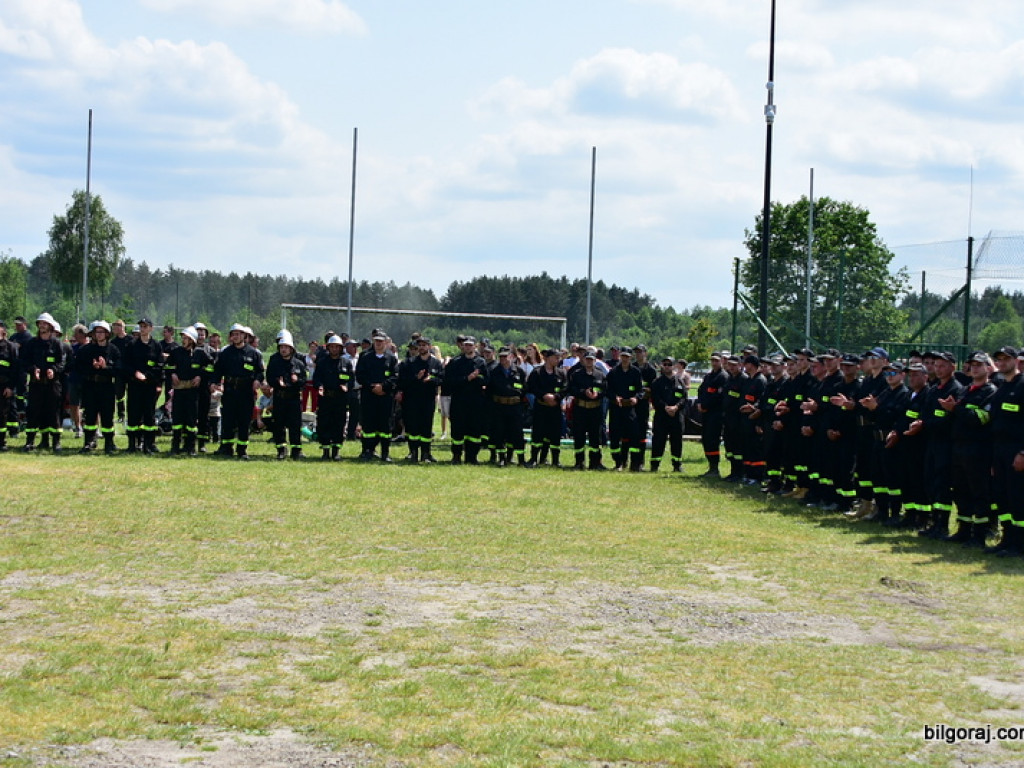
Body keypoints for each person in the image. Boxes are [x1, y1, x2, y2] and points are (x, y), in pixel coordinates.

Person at [946, 352, 997, 545]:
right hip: (959, 447)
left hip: (978, 450)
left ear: (988, 368)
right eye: (972, 365)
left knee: (979, 492)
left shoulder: (990, 391)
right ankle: (964, 529)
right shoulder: (966, 390)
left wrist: (956, 409)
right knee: (961, 490)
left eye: (979, 365)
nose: (974, 368)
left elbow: (981, 418)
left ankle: (980, 534)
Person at [985, 346, 1024, 555]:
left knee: (1018, 496)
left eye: (1006, 359)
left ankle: (1020, 543)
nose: (1001, 362)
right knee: (1003, 495)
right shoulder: (1000, 387)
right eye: (998, 359)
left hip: (1016, 450)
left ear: (1015, 361)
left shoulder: (1022, 386)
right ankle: (1007, 539)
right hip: (999, 450)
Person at [211, 322, 265, 460]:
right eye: (233, 334)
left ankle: (242, 450)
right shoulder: (226, 353)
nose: (235, 337)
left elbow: (260, 371)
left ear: (244, 336)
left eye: (238, 334)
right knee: (228, 421)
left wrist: (258, 380)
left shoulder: (253, 353)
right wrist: (214, 383)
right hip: (230, 391)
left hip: (246, 392)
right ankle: (226, 448)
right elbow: (218, 370)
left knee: (244, 421)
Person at [20, 313, 65, 453]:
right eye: (40, 323)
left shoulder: (57, 343)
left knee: (54, 412)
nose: (42, 325)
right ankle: (30, 441)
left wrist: (54, 370)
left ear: (50, 326)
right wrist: (33, 369)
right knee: (33, 412)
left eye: (45, 323)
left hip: (52, 384)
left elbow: (62, 361)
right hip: (36, 384)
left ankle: (56, 442)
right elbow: (24, 361)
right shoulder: (32, 343)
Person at [75, 321, 122, 454]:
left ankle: (109, 443)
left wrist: (105, 367)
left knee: (107, 415)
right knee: (90, 416)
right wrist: (92, 367)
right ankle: (88, 442)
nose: (99, 334)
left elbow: (118, 370)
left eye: (101, 332)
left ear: (107, 334)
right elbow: (79, 368)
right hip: (90, 386)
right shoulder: (86, 350)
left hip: (106, 386)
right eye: (96, 332)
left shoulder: (113, 350)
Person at [167, 326, 212, 456]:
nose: (184, 340)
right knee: (177, 419)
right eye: (183, 338)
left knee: (191, 420)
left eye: (186, 338)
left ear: (192, 340)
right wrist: (173, 374)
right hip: (179, 390)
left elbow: (211, 366)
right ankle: (175, 446)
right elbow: (168, 366)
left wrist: (200, 376)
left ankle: (190, 447)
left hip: (192, 391)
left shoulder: (200, 353)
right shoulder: (176, 352)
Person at [121, 318, 164, 455]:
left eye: (145, 326)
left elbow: (160, 365)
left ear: (151, 328)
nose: (142, 329)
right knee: (133, 415)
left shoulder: (156, 346)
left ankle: (149, 444)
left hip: (149, 386)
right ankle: (132, 444)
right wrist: (135, 373)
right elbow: (125, 364)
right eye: (141, 326)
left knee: (149, 416)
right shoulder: (132, 345)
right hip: (135, 385)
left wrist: (151, 378)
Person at [398, 336, 444, 463]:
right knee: (413, 428)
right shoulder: (409, 363)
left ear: (430, 346)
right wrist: (416, 378)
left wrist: (432, 380)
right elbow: (402, 382)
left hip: (428, 400)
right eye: (420, 345)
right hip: (412, 400)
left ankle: (426, 453)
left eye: (424, 345)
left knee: (426, 427)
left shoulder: (436, 363)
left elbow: (442, 379)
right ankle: (413, 453)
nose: (422, 347)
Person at [355, 330, 399, 462]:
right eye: (376, 341)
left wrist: (383, 387)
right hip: (369, 396)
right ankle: (368, 451)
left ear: (386, 343)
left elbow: (395, 376)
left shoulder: (391, 358)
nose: (378, 344)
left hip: (385, 396)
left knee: (385, 425)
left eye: (381, 341)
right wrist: (372, 387)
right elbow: (360, 375)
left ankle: (385, 453)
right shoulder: (365, 356)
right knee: (368, 424)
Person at [445, 336, 488, 465]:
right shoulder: (456, 362)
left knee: (474, 430)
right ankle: (457, 455)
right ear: (463, 346)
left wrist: (477, 378)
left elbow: (486, 379)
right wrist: (467, 378)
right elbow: (449, 381)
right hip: (459, 401)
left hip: (475, 402)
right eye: (466, 345)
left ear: (475, 346)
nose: (468, 347)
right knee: (457, 429)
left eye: (470, 345)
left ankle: (472, 456)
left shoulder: (481, 362)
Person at [313, 335, 355, 461]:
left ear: (341, 348)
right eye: (332, 347)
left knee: (339, 424)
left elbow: (350, 379)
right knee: (324, 423)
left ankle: (336, 451)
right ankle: (325, 451)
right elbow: (317, 378)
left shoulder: (346, 363)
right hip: (325, 398)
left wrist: (347, 386)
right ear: (328, 347)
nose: (334, 349)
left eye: (337, 347)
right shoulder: (322, 362)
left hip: (340, 399)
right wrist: (319, 386)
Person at [487, 346, 530, 467]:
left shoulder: (519, 372)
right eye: (501, 357)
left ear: (511, 357)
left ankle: (521, 459)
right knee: (499, 432)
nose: (503, 359)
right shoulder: (494, 372)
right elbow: (489, 390)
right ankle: (502, 458)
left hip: (514, 406)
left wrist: (517, 396)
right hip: (499, 406)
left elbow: (525, 388)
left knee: (517, 433)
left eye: (505, 356)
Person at [526, 348, 568, 467]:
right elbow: (531, 387)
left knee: (555, 435)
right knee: (538, 434)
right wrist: (544, 396)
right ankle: (534, 458)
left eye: (559, 357)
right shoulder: (537, 372)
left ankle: (555, 460)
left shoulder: (561, 373)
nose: (558, 359)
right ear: (548, 358)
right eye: (556, 357)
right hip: (541, 407)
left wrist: (556, 397)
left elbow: (565, 389)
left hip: (555, 408)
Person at [605, 347, 644, 471]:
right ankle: (618, 462)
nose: (625, 359)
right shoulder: (613, 372)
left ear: (630, 357)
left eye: (627, 357)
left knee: (634, 436)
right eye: (623, 356)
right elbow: (607, 389)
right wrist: (614, 397)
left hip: (630, 409)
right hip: (616, 408)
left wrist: (636, 398)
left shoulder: (636, 372)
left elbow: (640, 390)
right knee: (615, 436)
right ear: (620, 357)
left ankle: (634, 463)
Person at [567, 347, 607, 470]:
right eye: (587, 359)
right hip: (581, 408)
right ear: (583, 360)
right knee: (579, 437)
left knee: (596, 437)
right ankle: (579, 462)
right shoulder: (577, 375)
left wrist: (597, 394)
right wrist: (584, 392)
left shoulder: (600, 374)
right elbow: (571, 389)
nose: (589, 362)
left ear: (595, 360)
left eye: (591, 359)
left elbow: (605, 390)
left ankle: (595, 462)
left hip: (595, 409)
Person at [649, 356, 688, 473]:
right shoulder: (657, 382)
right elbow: (655, 398)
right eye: (665, 364)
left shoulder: (680, 381)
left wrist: (676, 407)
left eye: (669, 364)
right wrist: (665, 407)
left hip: (676, 416)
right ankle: (654, 465)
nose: (667, 366)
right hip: (662, 416)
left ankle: (677, 465)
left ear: (674, 366)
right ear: (662, 365)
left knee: (676, 441)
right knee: (658, 441)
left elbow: (684, 398)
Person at [697, 352, 728, 477]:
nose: (714, 363)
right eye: (712, 360)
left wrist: (706, 405)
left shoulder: (723, 377)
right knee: (706, 439)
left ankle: (715, 468)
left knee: (713, 440)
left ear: (721, 361)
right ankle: (711, 467)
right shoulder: (709, 376)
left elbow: (719, 396)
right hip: (706, 414)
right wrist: (699, 403)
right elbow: (700, 390)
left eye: (716, 360)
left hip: (716, 414)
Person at [0, 321, 22, 451]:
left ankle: (1, 442)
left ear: (3, 331)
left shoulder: (10, 347)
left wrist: (10, 387)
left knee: (2, 415)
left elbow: (16, 370)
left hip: (4, 386)